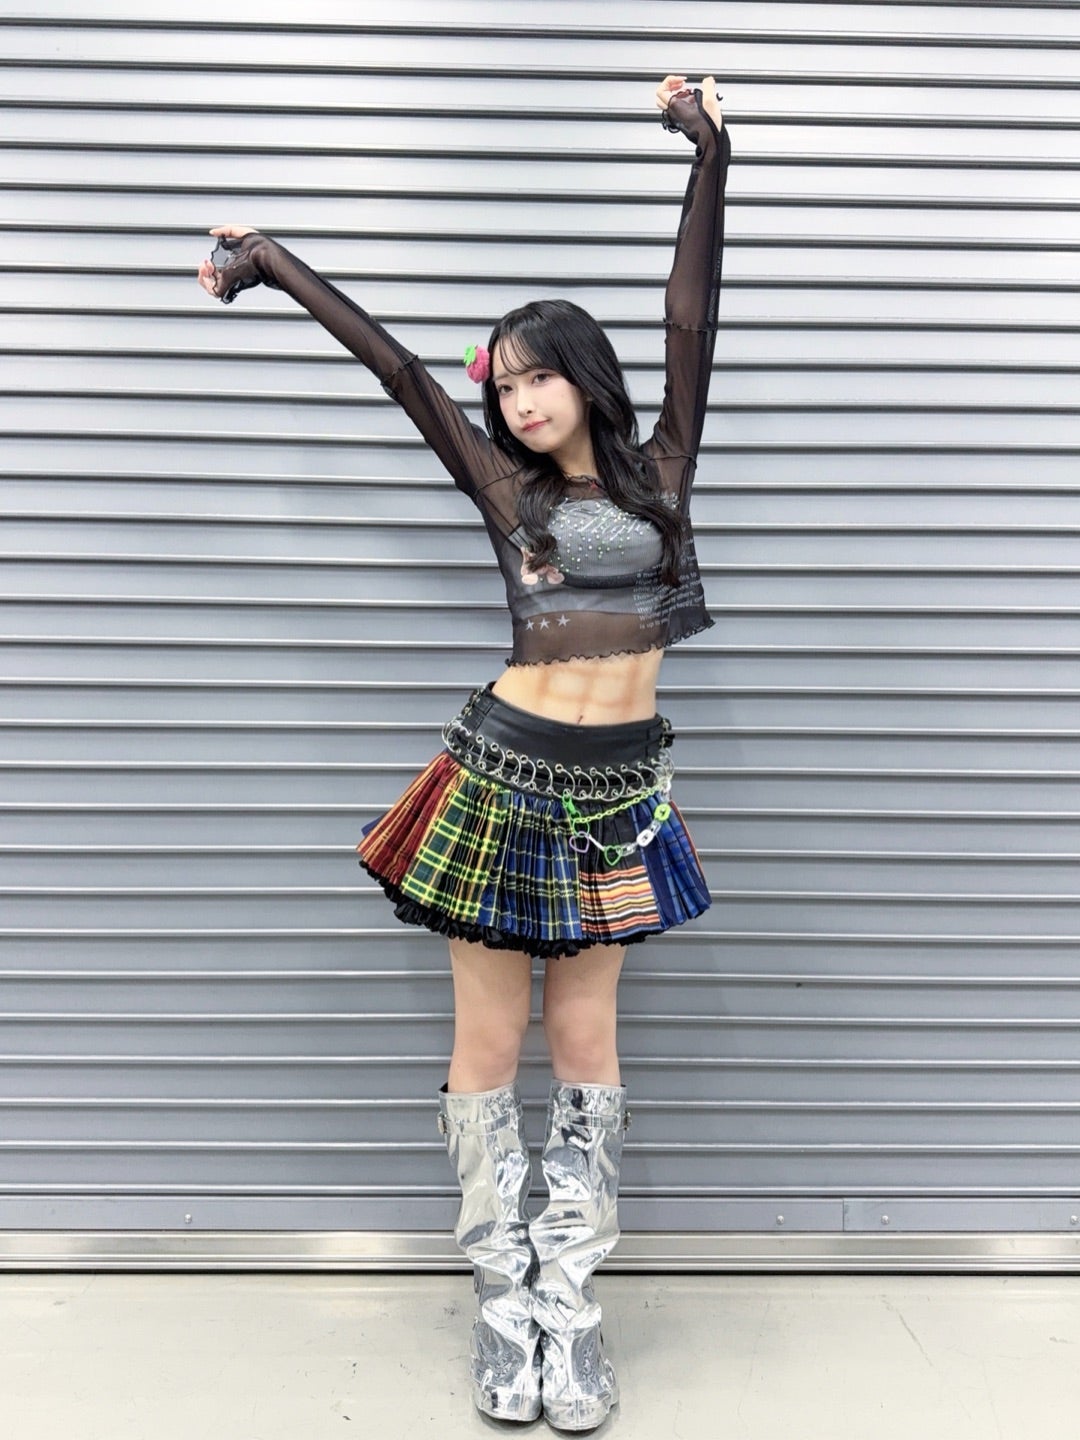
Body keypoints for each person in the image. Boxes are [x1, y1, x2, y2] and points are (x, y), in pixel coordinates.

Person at [198, 73, 730, 1431]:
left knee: (589, 1041)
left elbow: (689, 316)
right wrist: (271, 261)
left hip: (623, 796)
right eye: (506, 378)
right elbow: (398, 371)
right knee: (489, 1042)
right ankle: (502, 1298)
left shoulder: (664, 471)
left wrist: (709, 157)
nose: (518, 395)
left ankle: (572, 1304)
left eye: (540, 371)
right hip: (501, 783)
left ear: (585, 376)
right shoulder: (506, 490)